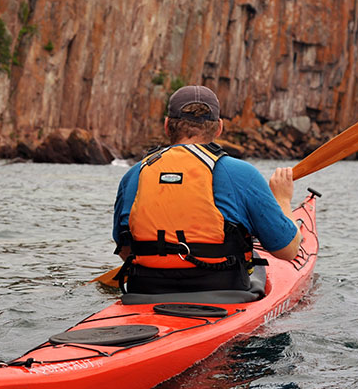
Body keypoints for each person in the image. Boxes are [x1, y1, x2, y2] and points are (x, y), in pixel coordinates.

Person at [112, 85, 301, 295]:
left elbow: (125, 250)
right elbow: (288, 250)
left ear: (167, 126)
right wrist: (283, 199)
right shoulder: (243, 174)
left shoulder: (134, 175)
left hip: (145, 292)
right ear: (219, 128)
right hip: (223, 293)